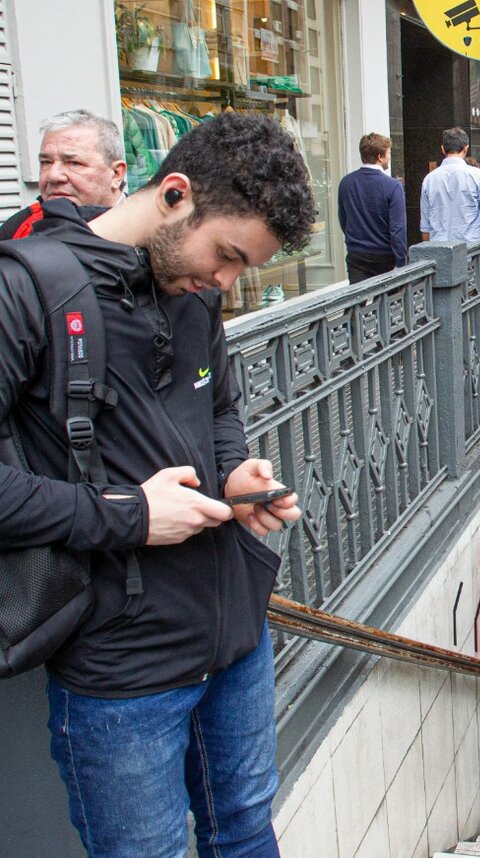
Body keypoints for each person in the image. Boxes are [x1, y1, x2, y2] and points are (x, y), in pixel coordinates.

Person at [0, 113, 317, 857]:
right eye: (228, 255)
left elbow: (218, 411)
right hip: (121, 668)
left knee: (244, 834)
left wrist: (238, 470)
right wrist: (130, 515)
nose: (226, 282)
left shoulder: (194, 290)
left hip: (235, 638)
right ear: (175, 194)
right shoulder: (29, 291)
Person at [0, 110, 127, 240]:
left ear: (116, 174)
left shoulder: (144, 232)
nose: (53, 176)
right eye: (46, 162)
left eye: (73, 163)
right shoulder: (19, 227)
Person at [336, 131, 407, 284]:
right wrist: (401, 262)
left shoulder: (346, 183)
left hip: (357, 254)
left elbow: (343, 219)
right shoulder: (393, 186)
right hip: (385, 255)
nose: (389, 157)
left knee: (356, 302)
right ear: (380, 157)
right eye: (388, 153)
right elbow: (397, 228)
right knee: (389, 304)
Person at [420, 126, 480, 243]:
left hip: (439, 252)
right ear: (466, 148)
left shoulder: (429, 179)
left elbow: (425, 227)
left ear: (443, 149)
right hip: (471, 252)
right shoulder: (476, 175)